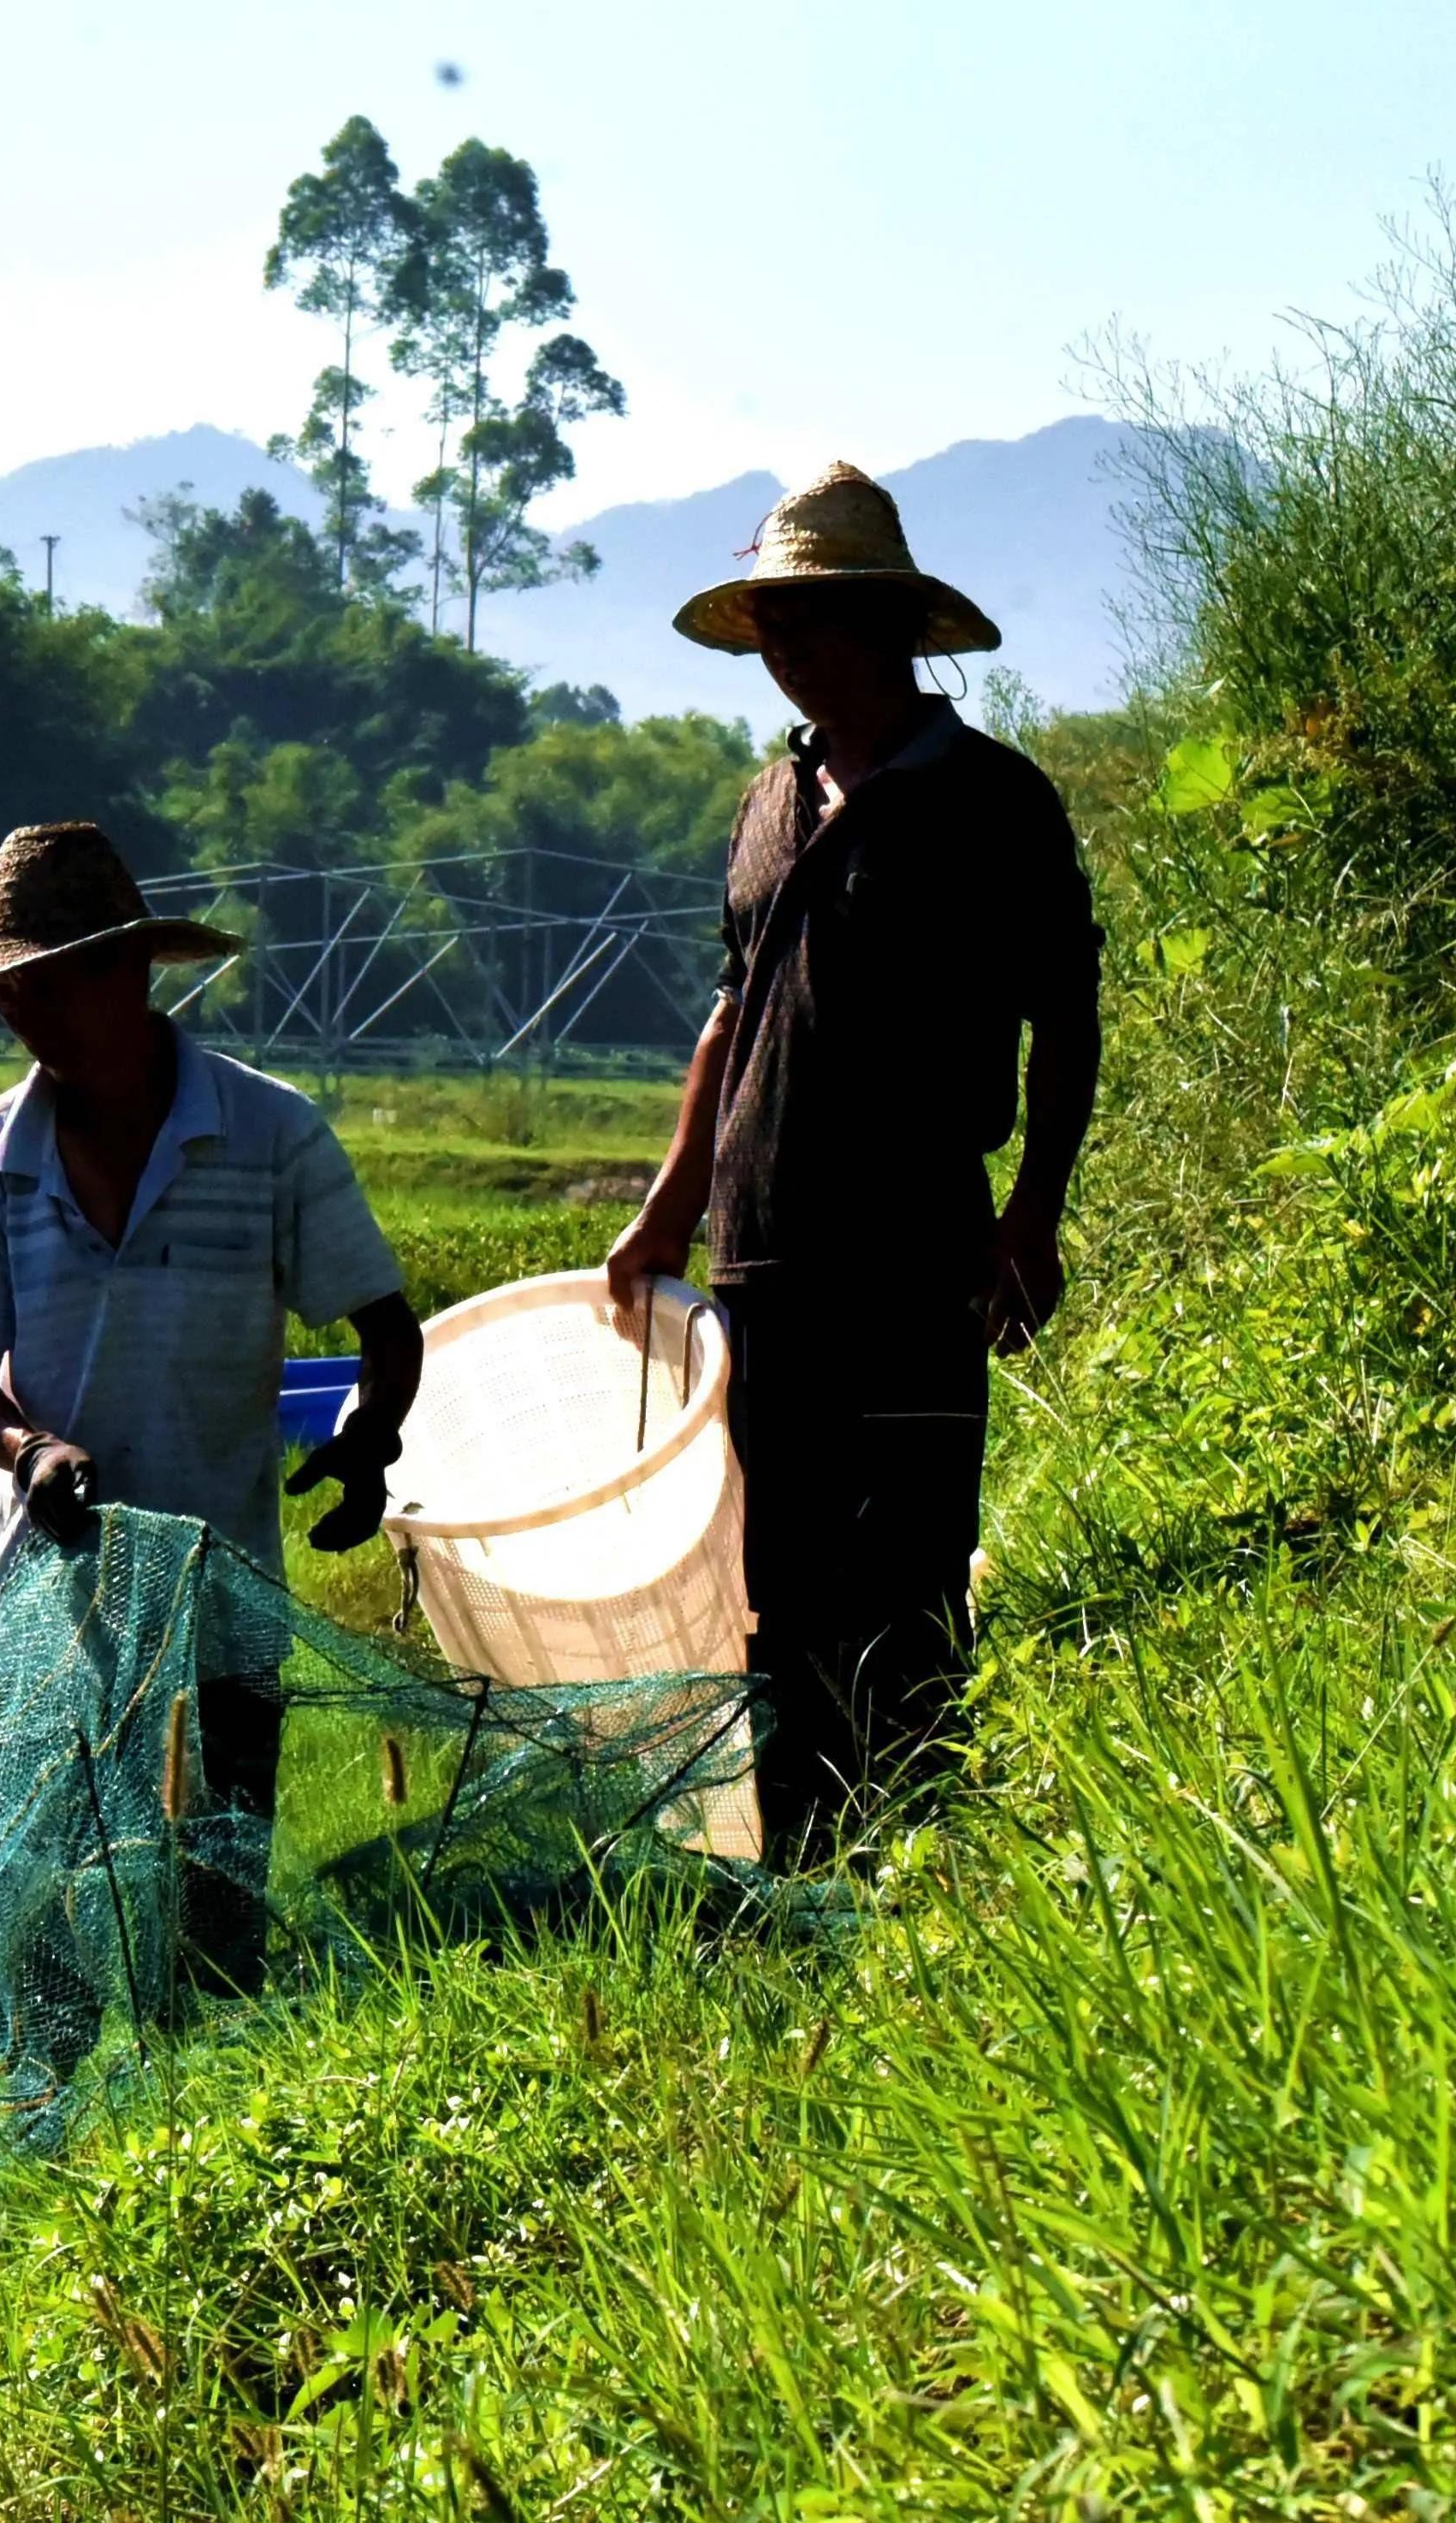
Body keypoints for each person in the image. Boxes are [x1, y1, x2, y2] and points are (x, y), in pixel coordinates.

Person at [602, 462, 1103, 1857]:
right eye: (772, 625)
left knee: (909, 1569)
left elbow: (1065, 1015)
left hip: (913, 1249)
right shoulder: (771, 802)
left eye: (813, 622)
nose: (789, 651)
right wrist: (663, 1214)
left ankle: (918, 1860)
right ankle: (804, 1865)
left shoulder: (994, 803)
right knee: (773, 1582)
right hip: (759, 1261)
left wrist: (1032, 1217)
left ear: (888, 624)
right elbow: (731, 1013)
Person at [0, 820, 428, 1995]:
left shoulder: (269, 1135)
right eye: (6, 997)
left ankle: (199, 2114)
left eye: (44, 990)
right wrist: (27, 1449)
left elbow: (383, 1328)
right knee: (36, 1915)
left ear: (130, 975)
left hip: (219, 1590)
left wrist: (366, 1440)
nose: (20, 1019)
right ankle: (44, 2120)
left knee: (212, 1915)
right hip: (47, 1599)